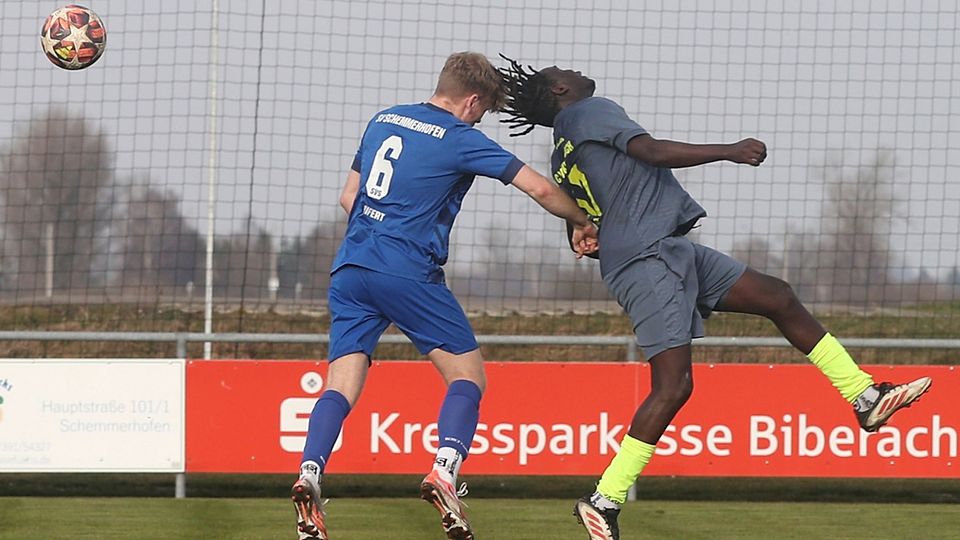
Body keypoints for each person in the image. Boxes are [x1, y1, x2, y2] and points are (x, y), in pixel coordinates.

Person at [499, 55, 932, 540]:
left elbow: (581, 214)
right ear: (559, 90)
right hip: (648, 258)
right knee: (674, 386)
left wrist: (580, 231)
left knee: (777, 296)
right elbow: (652, 151)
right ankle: (605, 498)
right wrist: (729, 149)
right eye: (563, 71)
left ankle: (864, 396)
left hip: (667, 248)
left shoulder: (563, 146)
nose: (573, 70)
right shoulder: (588, 109)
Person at [291, 52, 599, 540]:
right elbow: (539, 188)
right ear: (471, 101)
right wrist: (583, 220)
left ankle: (309, 473)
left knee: (340, 383)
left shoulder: (383, 118)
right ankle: (445, 471)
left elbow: (348, 198)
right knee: (468, 376)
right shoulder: (459, 137)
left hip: (351, 266)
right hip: (407, 269)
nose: (480, 120)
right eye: (482, 111)